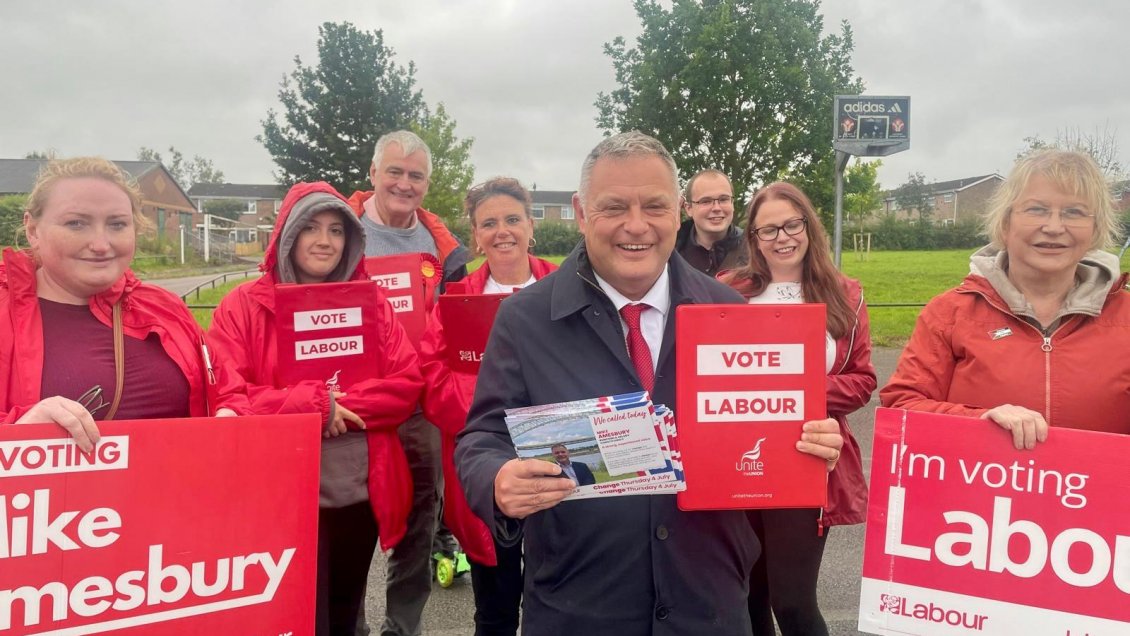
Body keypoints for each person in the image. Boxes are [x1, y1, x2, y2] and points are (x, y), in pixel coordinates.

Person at [455, 131, 846, 635]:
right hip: (578, 605)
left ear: (678, 211)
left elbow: (766, 437)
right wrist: (496, 480)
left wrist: (810, 444)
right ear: (580, 212)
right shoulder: (524, 320)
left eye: (655, 206)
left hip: (708, 603)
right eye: (614, 206)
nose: (635, 226)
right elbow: (481, 439)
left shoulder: (730, 313)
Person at [207, 182, 424, 636]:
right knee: (295, 615)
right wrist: (311, 406)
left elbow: (405, 385)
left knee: (345, 610)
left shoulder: (374, 305)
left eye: (335, 230)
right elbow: (227, 394)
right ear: (286, 234)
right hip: (283, 490)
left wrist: (336, 407)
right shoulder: (241, 307)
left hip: (357, 490)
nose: (324, 241)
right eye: (309, 228)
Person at [882, 149, 1130, 442]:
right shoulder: (949, 313)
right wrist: (979, 420)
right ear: (1005, 222)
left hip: (1096, 489)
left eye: (1073, 212)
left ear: (1095, 228)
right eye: (1036, 209)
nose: (1053, 227)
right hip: (979, 486)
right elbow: (901, 408)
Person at [720, 182, 874, 636]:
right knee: (746, 597)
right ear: (753, 237)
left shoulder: (844, 292)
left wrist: (793, 392)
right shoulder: (729, 290)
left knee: (793, 603)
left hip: (808, 459)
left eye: (792, 224)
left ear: (809, 225)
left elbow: (863, 381)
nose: (782, 237)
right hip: (739, 459)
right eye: (768, 230)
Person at [1, 157, 248, 440]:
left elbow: (228, 389)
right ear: (33, 230)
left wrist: (231, 413)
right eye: (76, 223)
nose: (100, 244)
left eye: (117, 225)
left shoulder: (165, 308)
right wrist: (18, 430)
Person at [419, 177, 557, 636]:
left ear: (530, 226)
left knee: (560, 604)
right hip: (490, 468)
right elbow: (433, 379)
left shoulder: (568, 287)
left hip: (558, 459)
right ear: (475, 235)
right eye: (489, 223)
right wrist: (496, 422)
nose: (503, 231)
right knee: (494, 613)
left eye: (513, 219)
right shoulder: (454, 301)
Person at [346, 130, 470, 636]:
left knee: (419, 522)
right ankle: (346, 623)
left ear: (427, 183)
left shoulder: (444, 250)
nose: (403, 183)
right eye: (393, 171)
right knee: (352, 523)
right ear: (373, 173)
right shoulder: (336, 230)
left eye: (415, 175)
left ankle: (403, 627)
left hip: (418, 406)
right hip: (351, 407)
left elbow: (456, 329)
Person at [674, 169, 749, 275]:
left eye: (723, 199)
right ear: (689, 208)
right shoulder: (671, 252)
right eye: (706, 201)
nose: (716, 208)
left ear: (732, 203)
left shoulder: (753, 249)